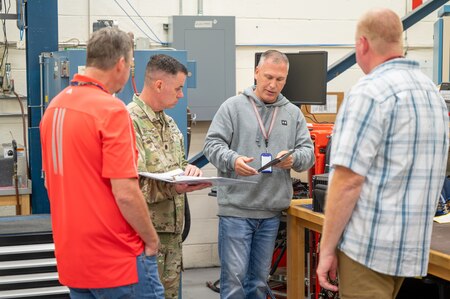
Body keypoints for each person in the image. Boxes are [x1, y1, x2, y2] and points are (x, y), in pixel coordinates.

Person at [317, 8, 449, 299]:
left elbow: (348, 181)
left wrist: (326, 249)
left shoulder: (368, 92)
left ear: (362, 44)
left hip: (368, 250)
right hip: (410, 250)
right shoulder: (432, 94)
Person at [40, 28, 164, 298]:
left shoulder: (55, 108)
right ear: (121, 64)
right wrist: (152, 240)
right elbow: (126, 193)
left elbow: (51, 182)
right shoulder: (110, 109)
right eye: (130, 64)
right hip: (116, 260)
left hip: (74, 258)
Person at [203, 49, 315, 298]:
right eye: (268, 77)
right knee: (234, 283)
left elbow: (308, 152)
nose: (273, 85)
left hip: (271, 212)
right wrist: (233, 160)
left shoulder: (293, 113)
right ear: (256, 72)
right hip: (236, 212)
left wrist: (294, 159)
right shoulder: (232, 107)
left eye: (280, 79)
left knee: (260, 284)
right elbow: (211, 145)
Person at [127, 54, 211, 299]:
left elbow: (178, 164)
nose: (181, 94)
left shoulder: (170, 124)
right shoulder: (128, 122)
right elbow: (129, 187)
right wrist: (176, 188)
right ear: (159, 85)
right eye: (179, 88)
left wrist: (190, 171)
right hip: (144, 237)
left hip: (172, 236)